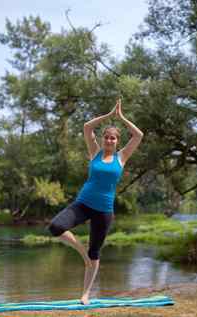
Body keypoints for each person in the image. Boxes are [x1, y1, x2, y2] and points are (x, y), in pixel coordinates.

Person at [48, 98, 144, 304]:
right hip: (83, 204)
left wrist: (122, 118)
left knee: (95, 252)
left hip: (104, 211)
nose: (109, 140)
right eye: (107, 137)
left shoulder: (122, 157)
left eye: (113, 138)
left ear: (117, 141)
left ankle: (85, 294)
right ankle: (83, 256)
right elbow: (86, 126)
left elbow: (138, 135)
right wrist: (110, 115)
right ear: (102, 139)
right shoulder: (95, 153)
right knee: (56, 226)